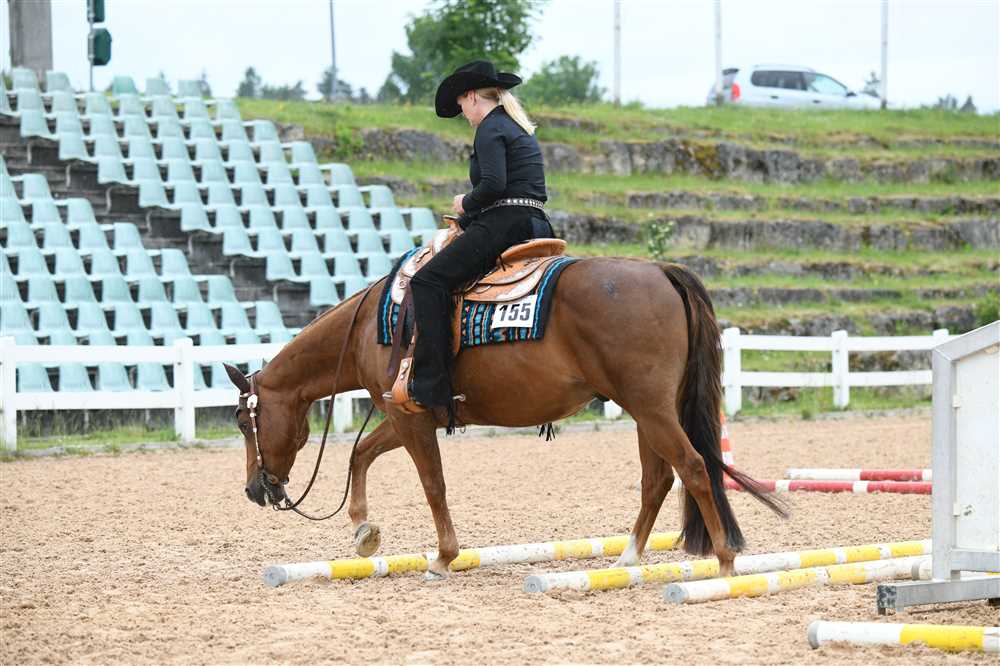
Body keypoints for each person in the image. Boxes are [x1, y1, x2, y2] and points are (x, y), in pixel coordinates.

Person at [407, 59, 553, 423]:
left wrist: (464, 203)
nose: (462, 113)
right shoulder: (516, 126)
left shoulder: (490, 128)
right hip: (537, 223)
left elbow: (493, 185)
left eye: (461, 104)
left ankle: (432, 385)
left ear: (472, 96)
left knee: (427, 281)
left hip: (505, 224)